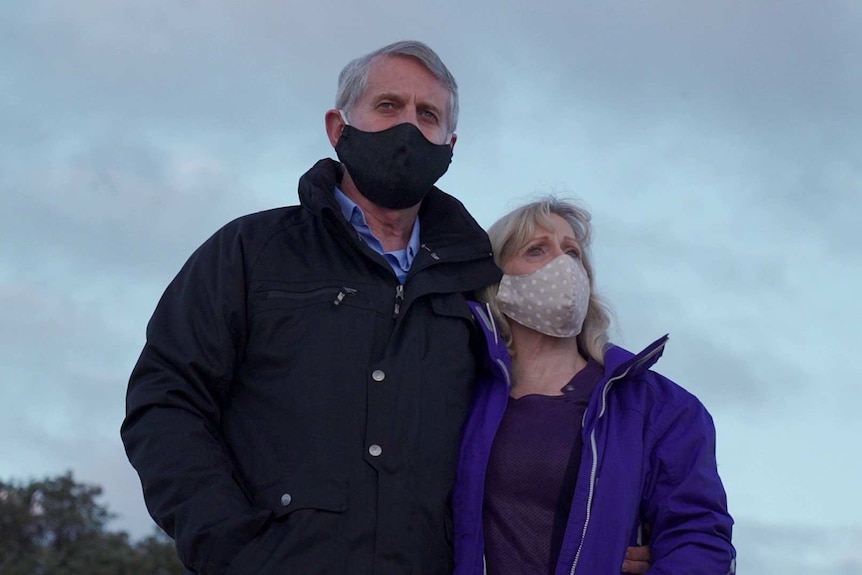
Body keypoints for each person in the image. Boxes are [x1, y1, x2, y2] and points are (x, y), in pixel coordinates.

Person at [121, 41, 503, 574]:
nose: (409, 129)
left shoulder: (479, 288)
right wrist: (229, 547)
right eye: (388, 105)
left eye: (428, 115)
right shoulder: (250, 252)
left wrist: (616, 527)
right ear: (337, 126)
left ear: (451, 144)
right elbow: (166, 400)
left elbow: (537, 426)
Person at [453, 197, 736, 574]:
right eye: (537, 250)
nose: (563, 265)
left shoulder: (660, 408)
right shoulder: (458, 394)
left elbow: (697, 537)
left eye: (573, 252)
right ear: (497, 281)